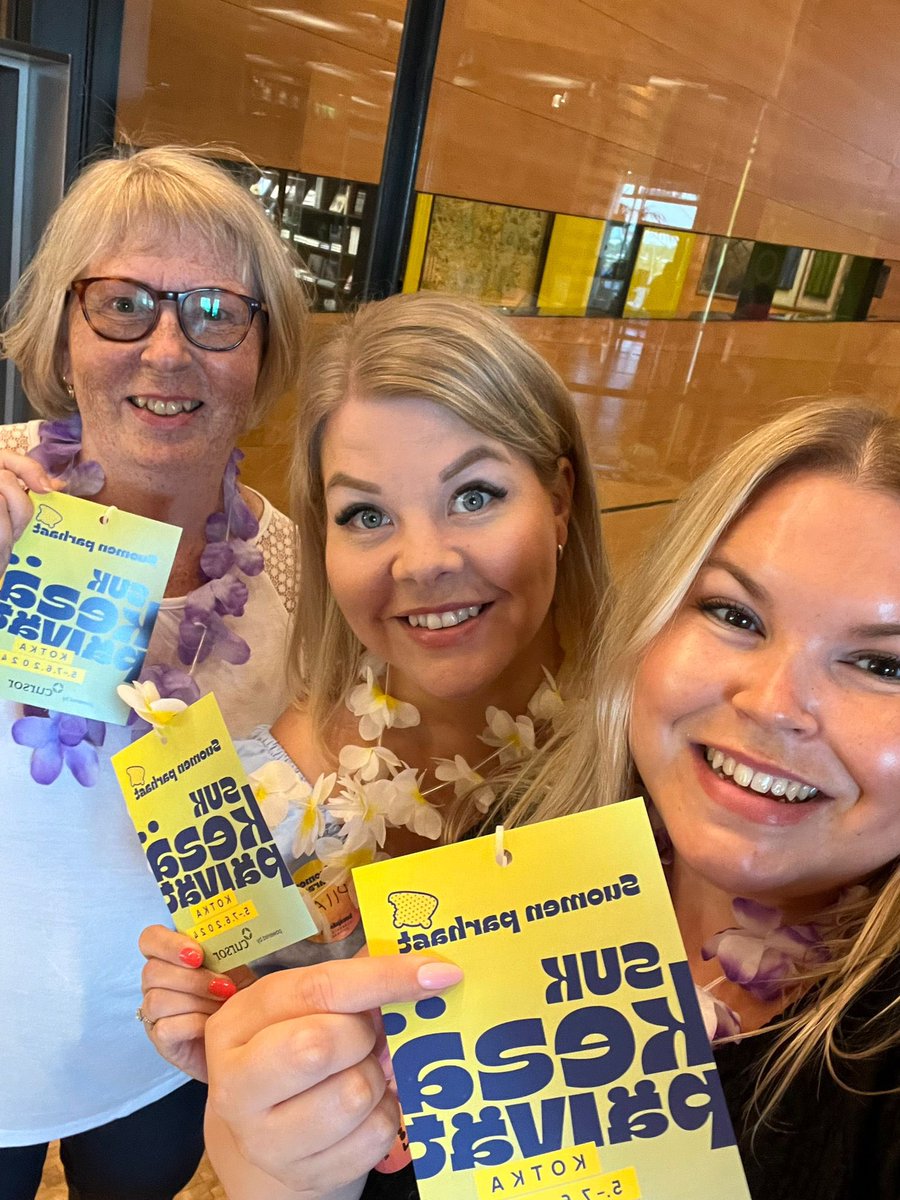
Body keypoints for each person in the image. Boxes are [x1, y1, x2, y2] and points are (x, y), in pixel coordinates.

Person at [201, 401, 900, 1200]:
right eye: (734, 614)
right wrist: (283, 1157)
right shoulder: (524, 840)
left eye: (884, 666)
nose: (773, 705)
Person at [136, 291, 609, 1196]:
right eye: (365, 515)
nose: (422, 560)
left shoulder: (674, 771)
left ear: (558, 500)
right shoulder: (271, 806)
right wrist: (254, 1082)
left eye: (474, 495)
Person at [0, 144, 307, 1199]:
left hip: (159, 1040)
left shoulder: (296, 570)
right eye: (123, 304)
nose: (167, 350)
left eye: (216, 311)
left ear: (262, 349)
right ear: (63, 331)